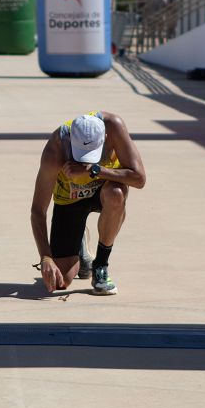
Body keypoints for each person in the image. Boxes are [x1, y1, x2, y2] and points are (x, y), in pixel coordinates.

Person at [31, 112, 146, 295]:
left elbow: (139, 179)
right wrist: (46, 257)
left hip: (105, 191)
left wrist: (94, 170)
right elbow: (38, 210)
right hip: (70, 198)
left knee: (116, 194)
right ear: (70, 138)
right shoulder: (55, 149)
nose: (83, 160)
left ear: (106, 138)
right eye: (79, 154)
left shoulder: (114, 126)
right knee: (60, 282)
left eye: (89, 155)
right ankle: (80, 242)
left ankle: (100, 265)